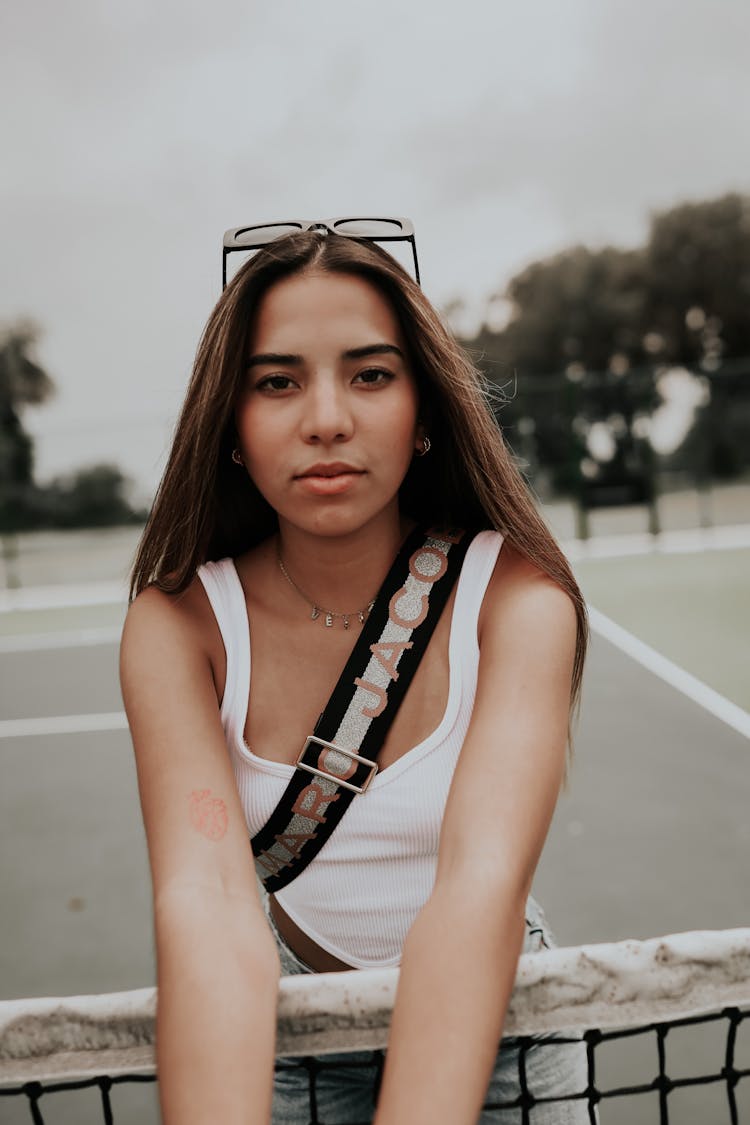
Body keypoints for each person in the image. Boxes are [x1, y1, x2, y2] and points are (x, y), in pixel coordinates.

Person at [121, 222, 591, 1125]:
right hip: (300, 1045)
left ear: (424, 414)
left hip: (507, 1044)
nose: (326, 416)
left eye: (371, 374)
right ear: (230, 424)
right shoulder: (177, 625)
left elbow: (478, 887)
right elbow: (209, 903)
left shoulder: (521, 599)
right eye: (277, 381)